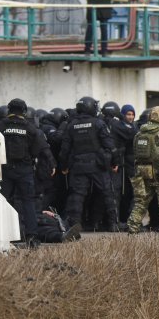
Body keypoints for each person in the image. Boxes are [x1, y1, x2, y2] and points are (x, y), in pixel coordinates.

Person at [0, 98, 54, 245]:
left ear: (9, 110)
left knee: (4, 203)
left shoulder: (0, 126)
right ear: (24, 111)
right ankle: (31, 237)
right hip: (25, 170)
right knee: (28, 203)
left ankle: (4, 236)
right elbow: (42, 148)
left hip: (5, 170)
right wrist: (51, 164)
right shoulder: (30, 127)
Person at [59, 96, 120, 232]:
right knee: (108, 194)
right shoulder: (98, 123)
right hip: (98, 165)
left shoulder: (71, 125)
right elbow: (110, 145)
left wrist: (64, 167)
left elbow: (64, 151)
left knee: (77, 196)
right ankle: (113, 225)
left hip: (78, 166)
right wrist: (115, 162)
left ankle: (75, 226)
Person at [127, 106, 159, 233]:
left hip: (142, 172)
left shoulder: (140, 133)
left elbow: (136, 153)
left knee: (140, 202)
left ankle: (132, 228)